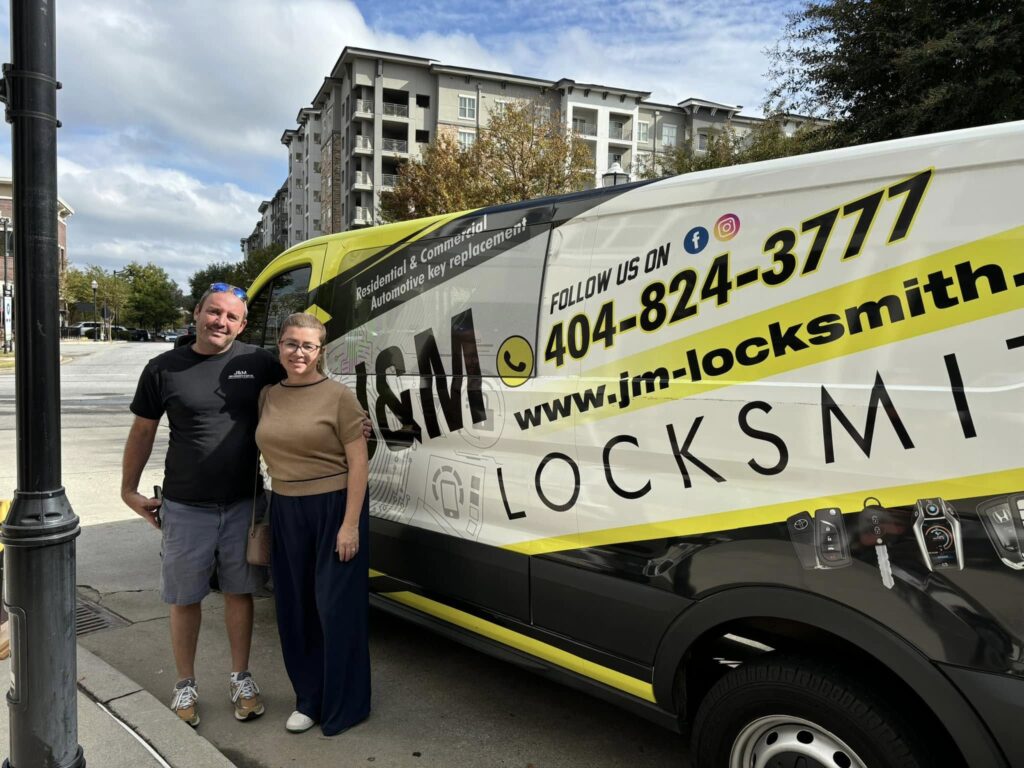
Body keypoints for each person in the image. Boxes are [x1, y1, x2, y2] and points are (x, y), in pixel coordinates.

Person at [121, 282, 281, 727]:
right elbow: (143, 432)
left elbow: (306, 387)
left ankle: (240, 678)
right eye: (214, 312)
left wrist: (353, 420)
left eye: (231, 317)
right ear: (196, 313)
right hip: (186, 506)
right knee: (185, 597)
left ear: (243, 324)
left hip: (244, 506)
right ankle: (185, 684)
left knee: (239, 592)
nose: (220, 322)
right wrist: (128, 490)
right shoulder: (162, 369)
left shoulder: (258, 362)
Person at [255, 312, 370, 736]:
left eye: (307, 345)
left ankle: (346, 704)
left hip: (334, 508)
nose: (298, 352)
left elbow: (359, 462)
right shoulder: (267, 395)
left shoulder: (340, 397)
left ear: (320, 351)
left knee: (336, 610)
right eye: (290, 343)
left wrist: (350, 525)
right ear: (279, 346)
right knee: (294, 609)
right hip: (285, 507)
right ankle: (309, 698)